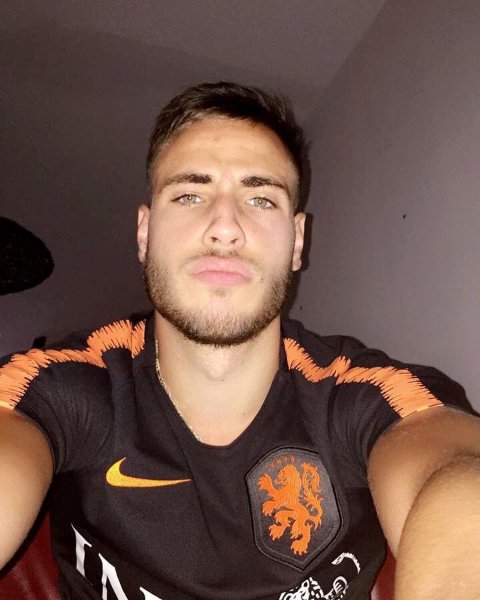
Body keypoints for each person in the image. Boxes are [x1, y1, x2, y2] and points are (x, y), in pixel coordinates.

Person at [0, 82, 479, 600]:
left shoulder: (364, 397)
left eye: (260, 198)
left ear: (297, 241)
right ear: (144, 232)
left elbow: (456, 481)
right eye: (189, 195)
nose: (225, 227)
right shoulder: (63, 386)